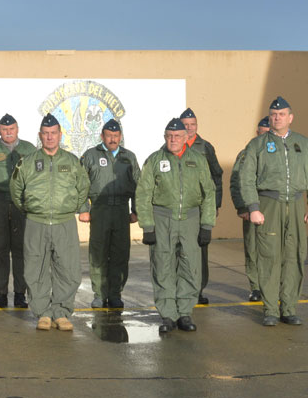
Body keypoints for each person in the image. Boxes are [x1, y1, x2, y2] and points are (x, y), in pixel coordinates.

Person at [239, 97, 308, 327]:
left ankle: (289, 308)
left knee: (294, 256)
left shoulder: (303, 144)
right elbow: (246, 178)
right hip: (269, 205)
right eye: (274, 114)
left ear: (290, 117)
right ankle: (270, 310)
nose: (277, 118)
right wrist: (253, 208)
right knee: (269, 257)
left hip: (295, 205)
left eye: (282, 114)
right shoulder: (257, 145)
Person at [9, 114, 89, 332]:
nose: (50, 137)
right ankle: (43, 313)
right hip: (36, 223)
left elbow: (83, 187)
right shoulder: (27, 162)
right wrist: (29, 209)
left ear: (60, 135)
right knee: (36, 269)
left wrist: (79, 207)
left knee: (68, 269)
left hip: (64, 223)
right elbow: (16, 190)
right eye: (46, 133)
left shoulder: (72, 162)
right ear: (40, 136)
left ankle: (61, 313)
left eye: (53, 133)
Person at [136, 118, 216, 333]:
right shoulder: (154, 160)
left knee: (190, 267)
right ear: (165, 137)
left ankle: (185, 313)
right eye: (170, 136)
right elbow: (143, 194)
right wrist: (148, 226)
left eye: (178, 136)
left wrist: (207, 224)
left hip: (191, 218)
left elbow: (209, 192)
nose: (173, 140)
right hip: (163, 218)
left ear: (185, 138)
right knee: (163, 266)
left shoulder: (197, 160)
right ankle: (168, 315)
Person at [78, 119, 141, 309]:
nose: (112, 139)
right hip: (100, 210)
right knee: (98, 253)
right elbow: (80, 184)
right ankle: (99, 294)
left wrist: (135, 210)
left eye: (115, 136)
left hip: (121, 210)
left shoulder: (128, 156)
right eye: (109, 135)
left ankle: (115, 294)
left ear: (120, 137)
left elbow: (139, 186)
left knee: (120, 254)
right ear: (102, 136)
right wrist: (83, 209)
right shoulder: (90, 155)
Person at [0, 113, 36, 308]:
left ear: (17, 129)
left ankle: (20, 294)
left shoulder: (29, 149)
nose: (8, 132)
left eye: (11, 129)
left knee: (21, 249)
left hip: (21, 202)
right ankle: (0, 294)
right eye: (4, 130)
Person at [180, 108, 223, 305]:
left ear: (197, 126)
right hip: (179, 209)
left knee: (200, 248)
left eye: (192, 125)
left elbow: (217, 176)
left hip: (200, 207)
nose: (189, 128)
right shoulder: (172, 145)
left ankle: (198, 289)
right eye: (186, 125)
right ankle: (181, 288)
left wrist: (215, 204)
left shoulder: (205, 147)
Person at [229, 116, 270, 302]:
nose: (266, 136)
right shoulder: (247, 153)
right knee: (252, 248)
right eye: (263, 133)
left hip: (272, 207)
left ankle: (273, 284)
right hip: (251, 207)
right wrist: (242, 207)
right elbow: (236, 181)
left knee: (275, 248)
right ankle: (256, 287)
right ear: (257, 133)